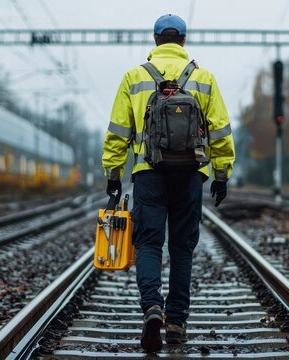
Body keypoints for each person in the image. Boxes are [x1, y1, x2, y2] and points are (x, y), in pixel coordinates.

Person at [101, 14, 235, 353]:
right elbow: (220, 132)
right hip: (191, 173)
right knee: (182, 247)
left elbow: (119, 132)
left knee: (147, 243)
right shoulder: (203, 78)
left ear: (156, 39)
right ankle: (176, 322)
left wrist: (113, 174)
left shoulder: (134, 78)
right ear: (184, 41)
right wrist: (221, 175)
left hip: (148, 172)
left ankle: (152, 308)